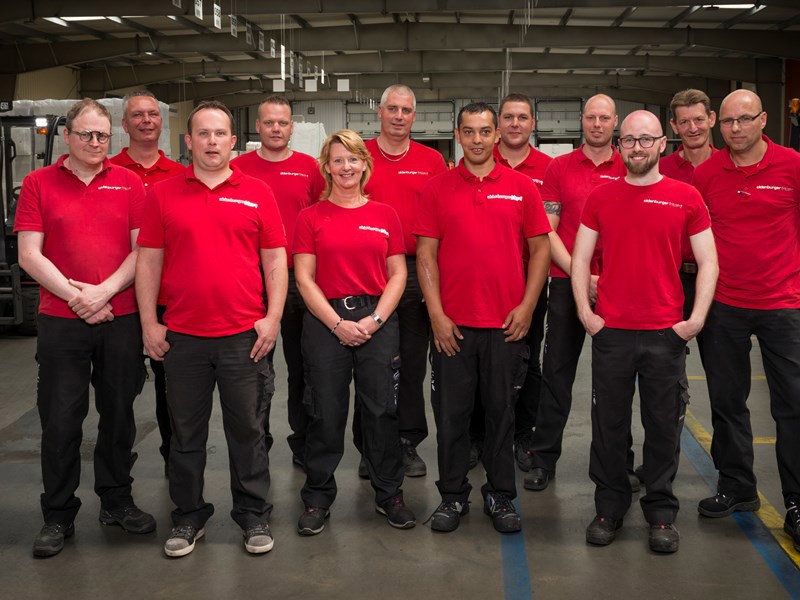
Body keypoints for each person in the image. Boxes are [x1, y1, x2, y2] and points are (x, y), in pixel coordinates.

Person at [136, 100, 288, 557]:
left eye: (220, 133)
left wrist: (272, 317)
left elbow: (276, 258)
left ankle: (253, 514)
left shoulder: (258, 191)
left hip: (244, 336)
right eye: (202, 133)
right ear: (189, 141)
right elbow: (148, 261)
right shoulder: (164, 193)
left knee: (249, 431)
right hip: (182, 338)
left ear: (233, 140)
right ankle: (188, 517)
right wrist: (149, 323)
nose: (211, 142)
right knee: (185, 435)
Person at [572, 109, 717, 554]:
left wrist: (694, 320)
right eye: (629, 140)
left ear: (661, 144)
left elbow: (709, 261)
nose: (637, 147)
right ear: (620, 146)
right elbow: (579, 259)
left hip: (664, 336)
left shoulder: (685, 196)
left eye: (646, 139)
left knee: (663, 428)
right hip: (612, 332)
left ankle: (660, 513)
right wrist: (585, 312)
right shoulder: (600, 196)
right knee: (609, 427)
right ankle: (609, 508)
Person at [16, 98, 156, 558]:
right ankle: (58, 514)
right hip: (62, 323)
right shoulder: (38, 183)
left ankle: (116, 501)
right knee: (60, 420)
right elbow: (30, 254)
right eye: (86, 135)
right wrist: (79, 298)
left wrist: (103, 291)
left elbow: (143, 251)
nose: (96, 143)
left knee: (119, 416)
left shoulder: (130, 182)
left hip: (120, 320)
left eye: (102, 135)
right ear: (67, 137)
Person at [415, 103, 551, 534]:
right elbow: (425, 254)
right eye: (469, 132)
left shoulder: (522, 187)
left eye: (485, 131)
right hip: (453, 328)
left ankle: (500, 494)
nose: (477, 140)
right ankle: (453, 497)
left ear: (497, 137)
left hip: (505, 327)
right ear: (457, 135)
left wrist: (527, 307)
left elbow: (542, 250)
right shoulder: (436, 188)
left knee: (501, 415)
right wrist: (436, 314)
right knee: (452, 417)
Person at [692, 89, 800, 553]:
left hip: (784, 305)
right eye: (729, 122)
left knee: (792, 405)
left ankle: (796, 502)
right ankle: (738, 487)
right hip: (724, 306)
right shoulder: (704, 175)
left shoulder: (793, 166)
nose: (735, 129)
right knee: (727, 401)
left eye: (745, 120)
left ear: (763, 121)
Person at [293, 129, 415, 535]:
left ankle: (389, 493)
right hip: (327, 319)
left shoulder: (385, 215)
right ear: (326, 167)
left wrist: (374, 320)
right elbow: (304, 279)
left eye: (353, 159)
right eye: (337, 160)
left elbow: (398, 274)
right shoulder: (310, 217)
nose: (346, 167)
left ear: (365, 164)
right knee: (324, 413)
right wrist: (336, 323)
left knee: (381, 411)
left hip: (376, 317)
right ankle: (317, 497)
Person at [523, 94, 627, 492]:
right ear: (580, 121)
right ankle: (543, 458)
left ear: (614, 121)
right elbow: (547, 229)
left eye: (604, 118)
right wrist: (582, 276)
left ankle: (621, 460)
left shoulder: (630, 165)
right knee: (557, 374)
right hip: (568, 284)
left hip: (619, 287)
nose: (597, 124)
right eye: (590, 117)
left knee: (616, 381)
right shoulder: (559, 168)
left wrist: (608, 279)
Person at [356, 84, 447, 478]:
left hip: (415, 271)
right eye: (392, 108)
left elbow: (444, 222)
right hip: (366, 272)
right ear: (379, 112)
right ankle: (370, 446)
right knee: (369, 365)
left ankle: (407, 442)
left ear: (415, 116)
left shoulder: (431, 161)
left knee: (410, 364)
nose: (398, 116)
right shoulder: (358, 156)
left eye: (406, 110)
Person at [231, 95, 325, 469]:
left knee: (305, 366)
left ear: (292, 126)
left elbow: (324, 218)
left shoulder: (309, 168)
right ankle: (259, 443)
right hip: (252, 281)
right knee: (256, 368)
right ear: (258, 126)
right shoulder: (238, 168)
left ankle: (304, 441)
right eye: (268, 122)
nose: (275, 129)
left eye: (282, 123)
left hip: (301, 279)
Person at [469, 92, 553, 472]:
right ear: (498, 127)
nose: (516, 123)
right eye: (509, 117)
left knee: (527, 364)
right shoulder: (479, 160)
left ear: (533, 123)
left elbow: (545, 235)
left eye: (523, 117)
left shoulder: (548, 169)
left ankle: (522, 435)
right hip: (480, 285)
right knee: (474, 365)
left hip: (526, 286)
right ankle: (477, 437)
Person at [110, 90, 185, 475]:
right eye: (137, 115)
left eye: (153, 114)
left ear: (161, 122)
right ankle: (116, 481)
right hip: (118, 300)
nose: (146, 120)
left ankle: (176, 469)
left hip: (166, 298)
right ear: (124, 125)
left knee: (170, 390)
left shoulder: (179, 177)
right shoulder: (107, 172)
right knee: (118, 394)